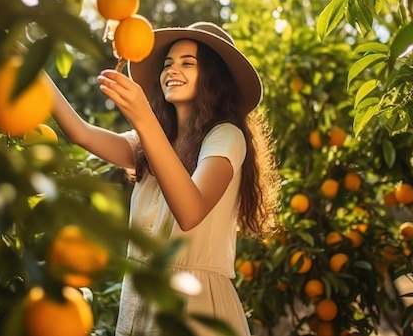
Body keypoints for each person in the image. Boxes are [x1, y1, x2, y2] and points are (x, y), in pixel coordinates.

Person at [45, 21, 280, 336]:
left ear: (214, 77)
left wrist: (143, 118)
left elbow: (190, 211)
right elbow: (81, 134)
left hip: (194, 309)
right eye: (168, 63)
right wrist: (32, 72)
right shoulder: (154, 141)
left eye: (188, 63)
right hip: (140, 301)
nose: (172, 70)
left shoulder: (226, 136)